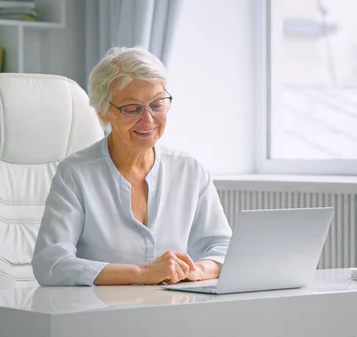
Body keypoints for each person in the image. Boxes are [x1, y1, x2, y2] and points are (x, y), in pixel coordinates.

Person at [31, 47, 232, 286]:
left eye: (157, 105)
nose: (147, 120)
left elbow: (224, 248)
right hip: (98, 313)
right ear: (104, 113)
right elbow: (51, 264)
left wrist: (196, 270)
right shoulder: (76, 173)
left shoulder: (190, 170)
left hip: (173, 311)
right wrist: (142, 273)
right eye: (132, 109)